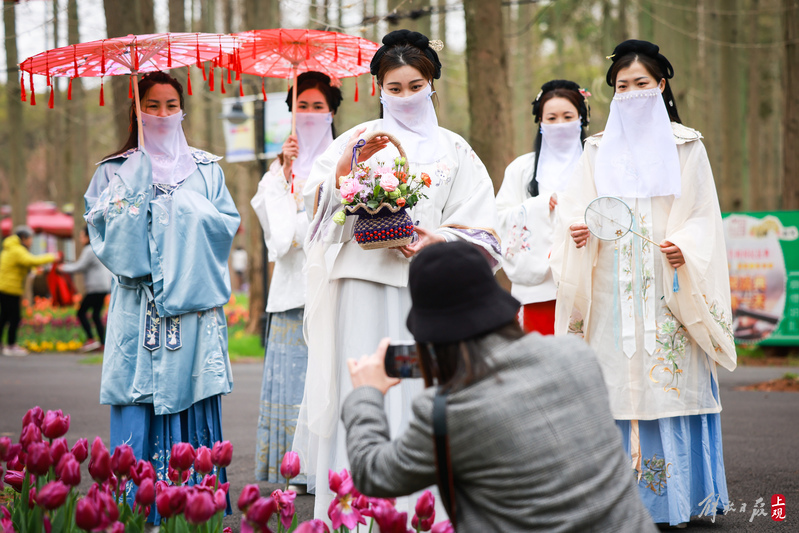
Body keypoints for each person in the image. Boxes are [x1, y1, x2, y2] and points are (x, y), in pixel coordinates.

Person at [294, 30, 501, 521]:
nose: (405, 96)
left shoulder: (456, 151)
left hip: (424, 297)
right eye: (395, 87)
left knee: (416, 393)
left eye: (415, 85)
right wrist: (346, 171)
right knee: (363, 388)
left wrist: (439, 240)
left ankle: (422, 513)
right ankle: (355, 515)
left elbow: (485, 228)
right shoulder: (355, 139)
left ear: (431, 85)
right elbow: (312, 209)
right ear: (378, 89)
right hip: (359, 291)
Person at [342, 241, 657, 532]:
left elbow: (374, 473)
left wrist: (366, 394)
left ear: (429, 336)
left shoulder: (448, 412)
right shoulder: (578, 357)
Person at [550, 40, 736, 527]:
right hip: (610, 293)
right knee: (612, 388)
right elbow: (577, 211)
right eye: (622, 87)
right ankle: (613, 501)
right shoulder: (595, 150)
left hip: (669, 290)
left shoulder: (686, 146)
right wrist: (577, 232)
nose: (631, 94)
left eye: (641, 85)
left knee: (669, 387)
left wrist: (684, 249)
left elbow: (703, 216)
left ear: (662, 86)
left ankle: (676, 499)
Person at [84, 71, 240, 524]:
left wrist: (177, 210)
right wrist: (134, 191)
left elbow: (223, 226)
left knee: (192, 389)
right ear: (136, 109)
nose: (162, 114)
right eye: (152, 105)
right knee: (139, 393)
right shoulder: (113, 170)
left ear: (182, 108)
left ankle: (195, 500)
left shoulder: (208, 169)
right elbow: (105, 239)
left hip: (192, 311)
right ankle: (136, 504)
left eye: (171, 105)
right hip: (139, 309)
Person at [250, 71, 342, 486]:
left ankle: (329, 468)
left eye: (317, 106)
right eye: (302, 106)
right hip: (289, 293)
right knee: (294, 382)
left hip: (334, 287)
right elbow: (281, 241)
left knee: (328, 377)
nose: (309, 113)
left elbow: (338, 229)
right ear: (290, 112)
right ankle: (294, 469)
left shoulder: (345, 163)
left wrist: (307, 216)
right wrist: (288, 181)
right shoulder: (274, 174)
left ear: (332, 111)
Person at [496, 80, 589, 335]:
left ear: (581, 119)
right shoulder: (521, 169)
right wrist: (538, 207)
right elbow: (499, 220)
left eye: (568, 116)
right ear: (540, 122)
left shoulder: (599, 166)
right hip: (538, 290)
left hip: (589, 287)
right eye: (552, 117)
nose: (560, 124)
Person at [0, 226, 57, 357]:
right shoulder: (17, 249)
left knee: (4, 317)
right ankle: (11, 345)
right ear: (24, 238)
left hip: (5, 287)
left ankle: (6, 345)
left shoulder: (10, 248)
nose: (31, 241)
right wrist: (52, 257)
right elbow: (31, 260)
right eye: (30, 238)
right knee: (15, 317)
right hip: (10, 288)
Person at [58, 226, 112, 352]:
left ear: (88, 236)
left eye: (82, 236)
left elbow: (79, 266)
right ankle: (102, 343)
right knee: (95, 315)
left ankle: (91, 340)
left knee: (81, 312)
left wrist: (62, 268)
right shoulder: (98, 247)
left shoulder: (89, 249)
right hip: (103, 286)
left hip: (95, 288)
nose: (80, 238)